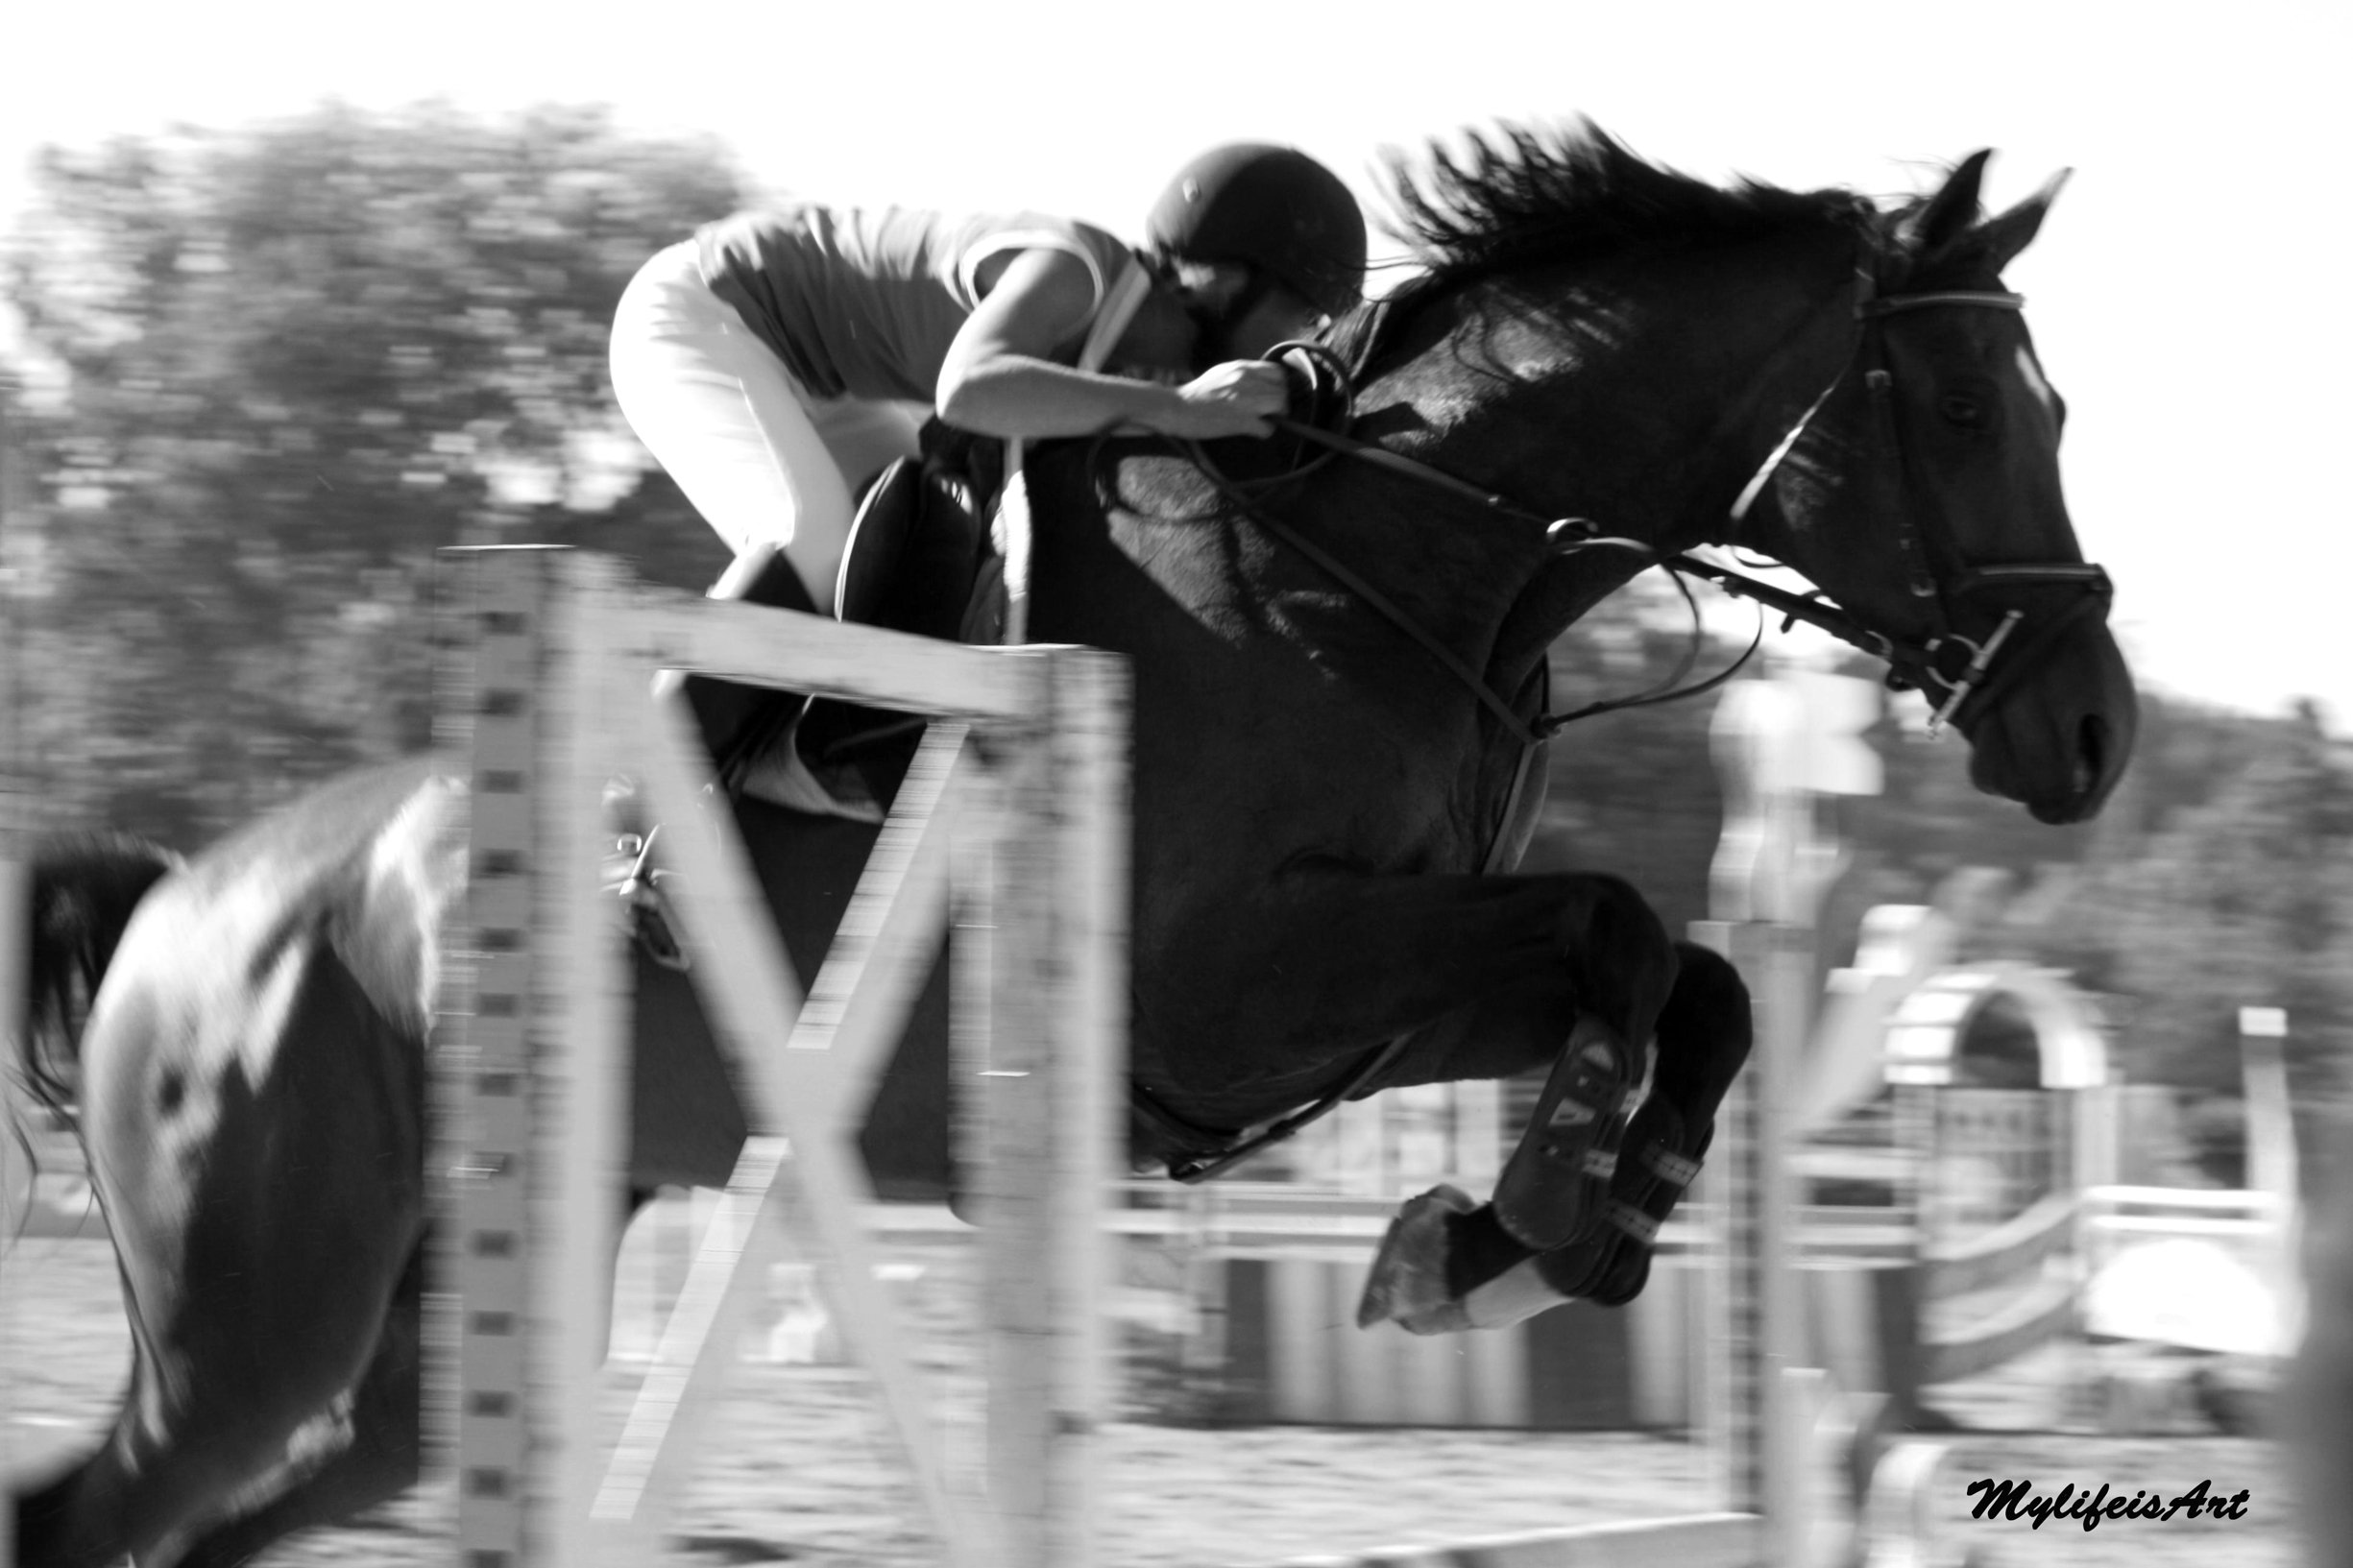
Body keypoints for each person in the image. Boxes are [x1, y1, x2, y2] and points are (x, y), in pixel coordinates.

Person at [608, 144, 1367, 811]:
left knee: (901, 557)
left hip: (826, 384)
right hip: (702, 310)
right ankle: (624, 804)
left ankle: (753, 787)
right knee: (812, 538)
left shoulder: (1146, 353)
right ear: (1223, 279)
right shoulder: (1078, 271)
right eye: (1304, 311)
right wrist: (1182, 410)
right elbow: (969, 390)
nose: (1307, 338)